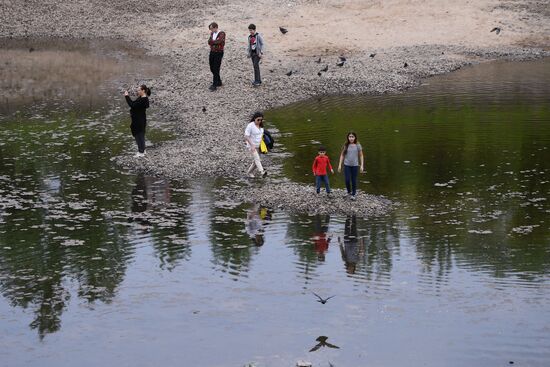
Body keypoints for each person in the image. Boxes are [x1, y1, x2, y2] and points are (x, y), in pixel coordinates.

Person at [124, 84, 151, 157]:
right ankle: (143, 150)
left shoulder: (143, 99)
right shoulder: (142, 98)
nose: (137, 91)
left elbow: (132, 105)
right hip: (140, 119)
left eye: (139, 90)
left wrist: (126, 96)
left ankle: (141, 152)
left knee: (138, 135)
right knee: (140, 134)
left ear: (143, 91)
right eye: (138, 90)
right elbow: (134, 104)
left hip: (138, 120)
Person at [337, 131, 364, 200]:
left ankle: (353, 194)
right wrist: (340, 165)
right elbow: (342, 155)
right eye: (350, 137)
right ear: (348, 138)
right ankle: (349, 192)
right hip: (347, 165)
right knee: (347, 180)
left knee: (354, 180)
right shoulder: (346, 145)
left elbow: (361, 156)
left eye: (352, 137)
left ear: (355, 138)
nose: (351, 138)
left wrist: (361, 165)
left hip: (355, 165)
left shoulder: (358, 145)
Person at [244, 112, 267, 178]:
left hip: (259, 145)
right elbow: (246, 136)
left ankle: (249, 172)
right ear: (254, 119)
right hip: (252, 146)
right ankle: (262, 172)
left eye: (261, 120)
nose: (259, 121)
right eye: (258, 120)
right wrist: (251, 145)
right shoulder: (250, 125)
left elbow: (261, 135)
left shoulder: (261, 126)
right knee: (257, 159)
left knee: (255, 161)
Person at [208, 22, 226, 91]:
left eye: (212, 29)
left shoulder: (222, 33)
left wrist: (213, 42)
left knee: (216, 67)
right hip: (212, 52)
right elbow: (209, 41)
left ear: (215, 27)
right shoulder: (212, 33)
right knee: (211, 67)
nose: (211, 30)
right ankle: (218, 81)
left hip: (219, 52)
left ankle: (214, 84)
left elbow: (219, 41)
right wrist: (213, 42)